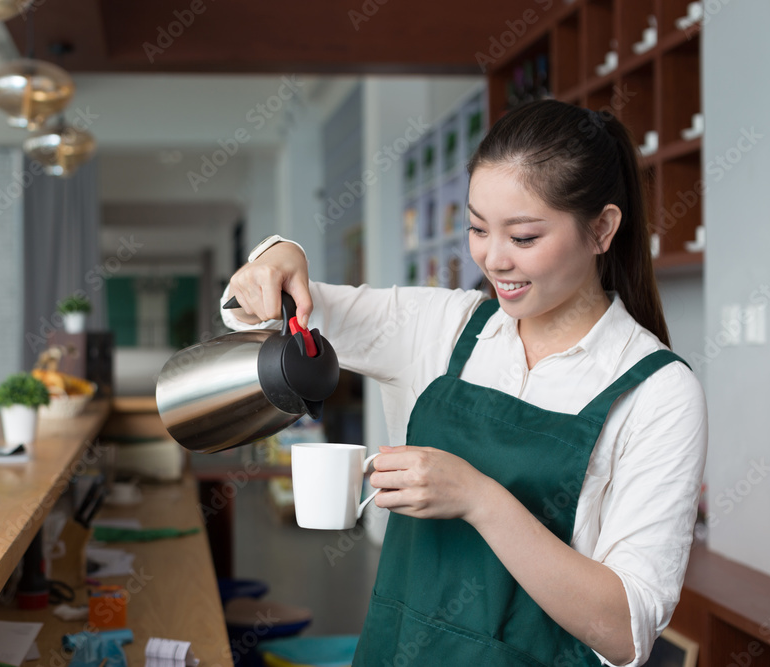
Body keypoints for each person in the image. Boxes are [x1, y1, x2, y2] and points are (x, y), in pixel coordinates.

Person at [221, 99, 707, 667]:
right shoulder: (441, 326)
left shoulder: (658, 393)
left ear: (601, 229)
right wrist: (279, 255)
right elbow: (251, 313)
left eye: (523, 237)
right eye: (477, 228)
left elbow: (626, 630)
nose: (493, 260)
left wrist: (479, 499)